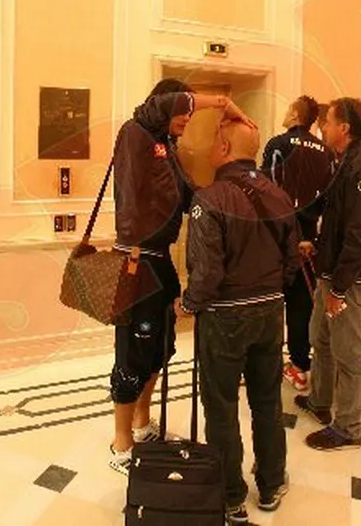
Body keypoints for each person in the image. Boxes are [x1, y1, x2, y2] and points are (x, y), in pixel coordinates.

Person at [108, 78, 254, 475]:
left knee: (160, 349)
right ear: (162, 105)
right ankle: (121, 443)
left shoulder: (166, 150)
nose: (187, 118)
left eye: (190, 113)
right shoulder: (135, 133)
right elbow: (153, 110)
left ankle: (142, 425)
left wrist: (235, 192)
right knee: (132, 353)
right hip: (137, 265)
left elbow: (192, 197)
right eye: (182, 110)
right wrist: (222, 103)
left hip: (160, 263)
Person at [175, 119, 298, 523]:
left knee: (221, 406)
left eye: (215, 140)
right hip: (270, 311)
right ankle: (271, 482)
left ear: (225, 147)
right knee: (267, 400)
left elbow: (207, 271)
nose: (210, 148)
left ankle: (231, 497)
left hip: (225, 316)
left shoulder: (209, 199)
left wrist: (188, 304)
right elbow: (293, 260)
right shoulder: (279, 194)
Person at [295, 98, 361, 451]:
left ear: (344, 128)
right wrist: (317, 244)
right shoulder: (346, 158)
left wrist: (338, 289)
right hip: (332, 268)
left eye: (328, 122)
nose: (323, 127)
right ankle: (320, 401)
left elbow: (360, 237)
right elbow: (336, 216)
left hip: (348, 278)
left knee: (348, 352)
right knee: (320, 337)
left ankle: (348, 428)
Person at [260, 95, 333, 391]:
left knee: (266, 302)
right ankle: (300, 365)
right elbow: (328, 198)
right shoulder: (326, 152)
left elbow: (266, 191)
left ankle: (261, 363)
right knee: (301, 305)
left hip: (276, 239)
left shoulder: (278, 144)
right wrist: (311, 236)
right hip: (309, 242)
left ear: (294, 114)